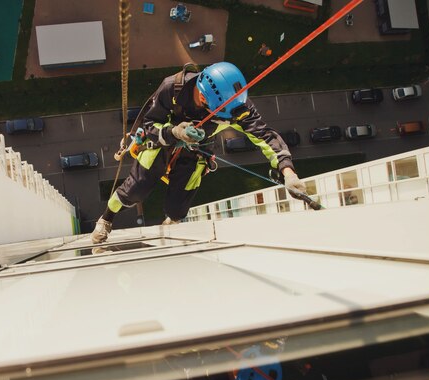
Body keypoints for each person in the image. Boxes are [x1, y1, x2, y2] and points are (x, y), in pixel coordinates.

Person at [91, 62, 306, 244]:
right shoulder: (172, 89)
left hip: (196, 150)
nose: (228, 118)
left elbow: (265, 135)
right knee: (135, 189)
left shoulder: (234, 104)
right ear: (204, 99)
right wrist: (174, 132)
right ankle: (106, 219)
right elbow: (149, 124)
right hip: (161, 142)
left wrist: (288, 171)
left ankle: (172, 221)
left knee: (177, 208)